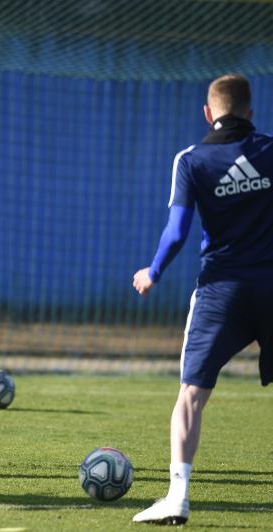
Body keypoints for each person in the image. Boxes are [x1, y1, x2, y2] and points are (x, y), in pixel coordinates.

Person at [132, 73, 273, 525]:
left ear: (208, 113)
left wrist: (152, 273)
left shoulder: (192, 160)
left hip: (221, 291)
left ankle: (178, 497)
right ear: (250, 113)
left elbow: (176, 233)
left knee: (191, 394)